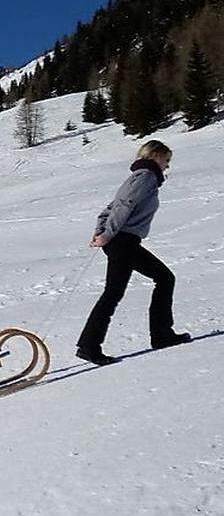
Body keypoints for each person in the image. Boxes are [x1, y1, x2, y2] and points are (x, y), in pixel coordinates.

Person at [76, 140, 191, 366]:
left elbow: (110, 208)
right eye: (166, 160)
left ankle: (160, 335)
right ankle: (90, 345)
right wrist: (107, 234)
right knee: (119, 291)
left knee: (159, 280)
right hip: (123, 241)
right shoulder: (146, 176)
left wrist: (101, 232)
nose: (167, 166)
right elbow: (124, 205)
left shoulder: (138, 177)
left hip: (124, 241)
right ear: (155, 155)